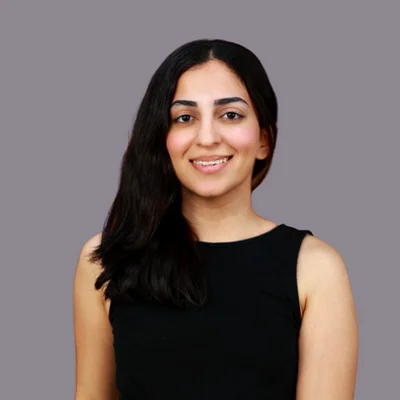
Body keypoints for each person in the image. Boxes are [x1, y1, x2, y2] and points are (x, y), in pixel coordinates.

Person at [73, 38, 358, 400]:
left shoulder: (316, 269)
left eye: (230, 115)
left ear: (264, 139)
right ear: (162, 137)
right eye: (185, 118)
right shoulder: (106, 259)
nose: (207, 138)